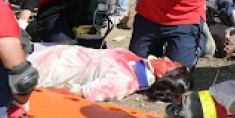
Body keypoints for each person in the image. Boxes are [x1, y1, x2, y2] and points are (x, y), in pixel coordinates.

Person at [27, 43, 191, 102]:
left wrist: (28, 91)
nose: (166, 57)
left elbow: (77, 93)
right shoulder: (136, 62)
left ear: (161, 77)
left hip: (40, 68)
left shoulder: (123, 83)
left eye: (169, 64)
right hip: (50, 51)